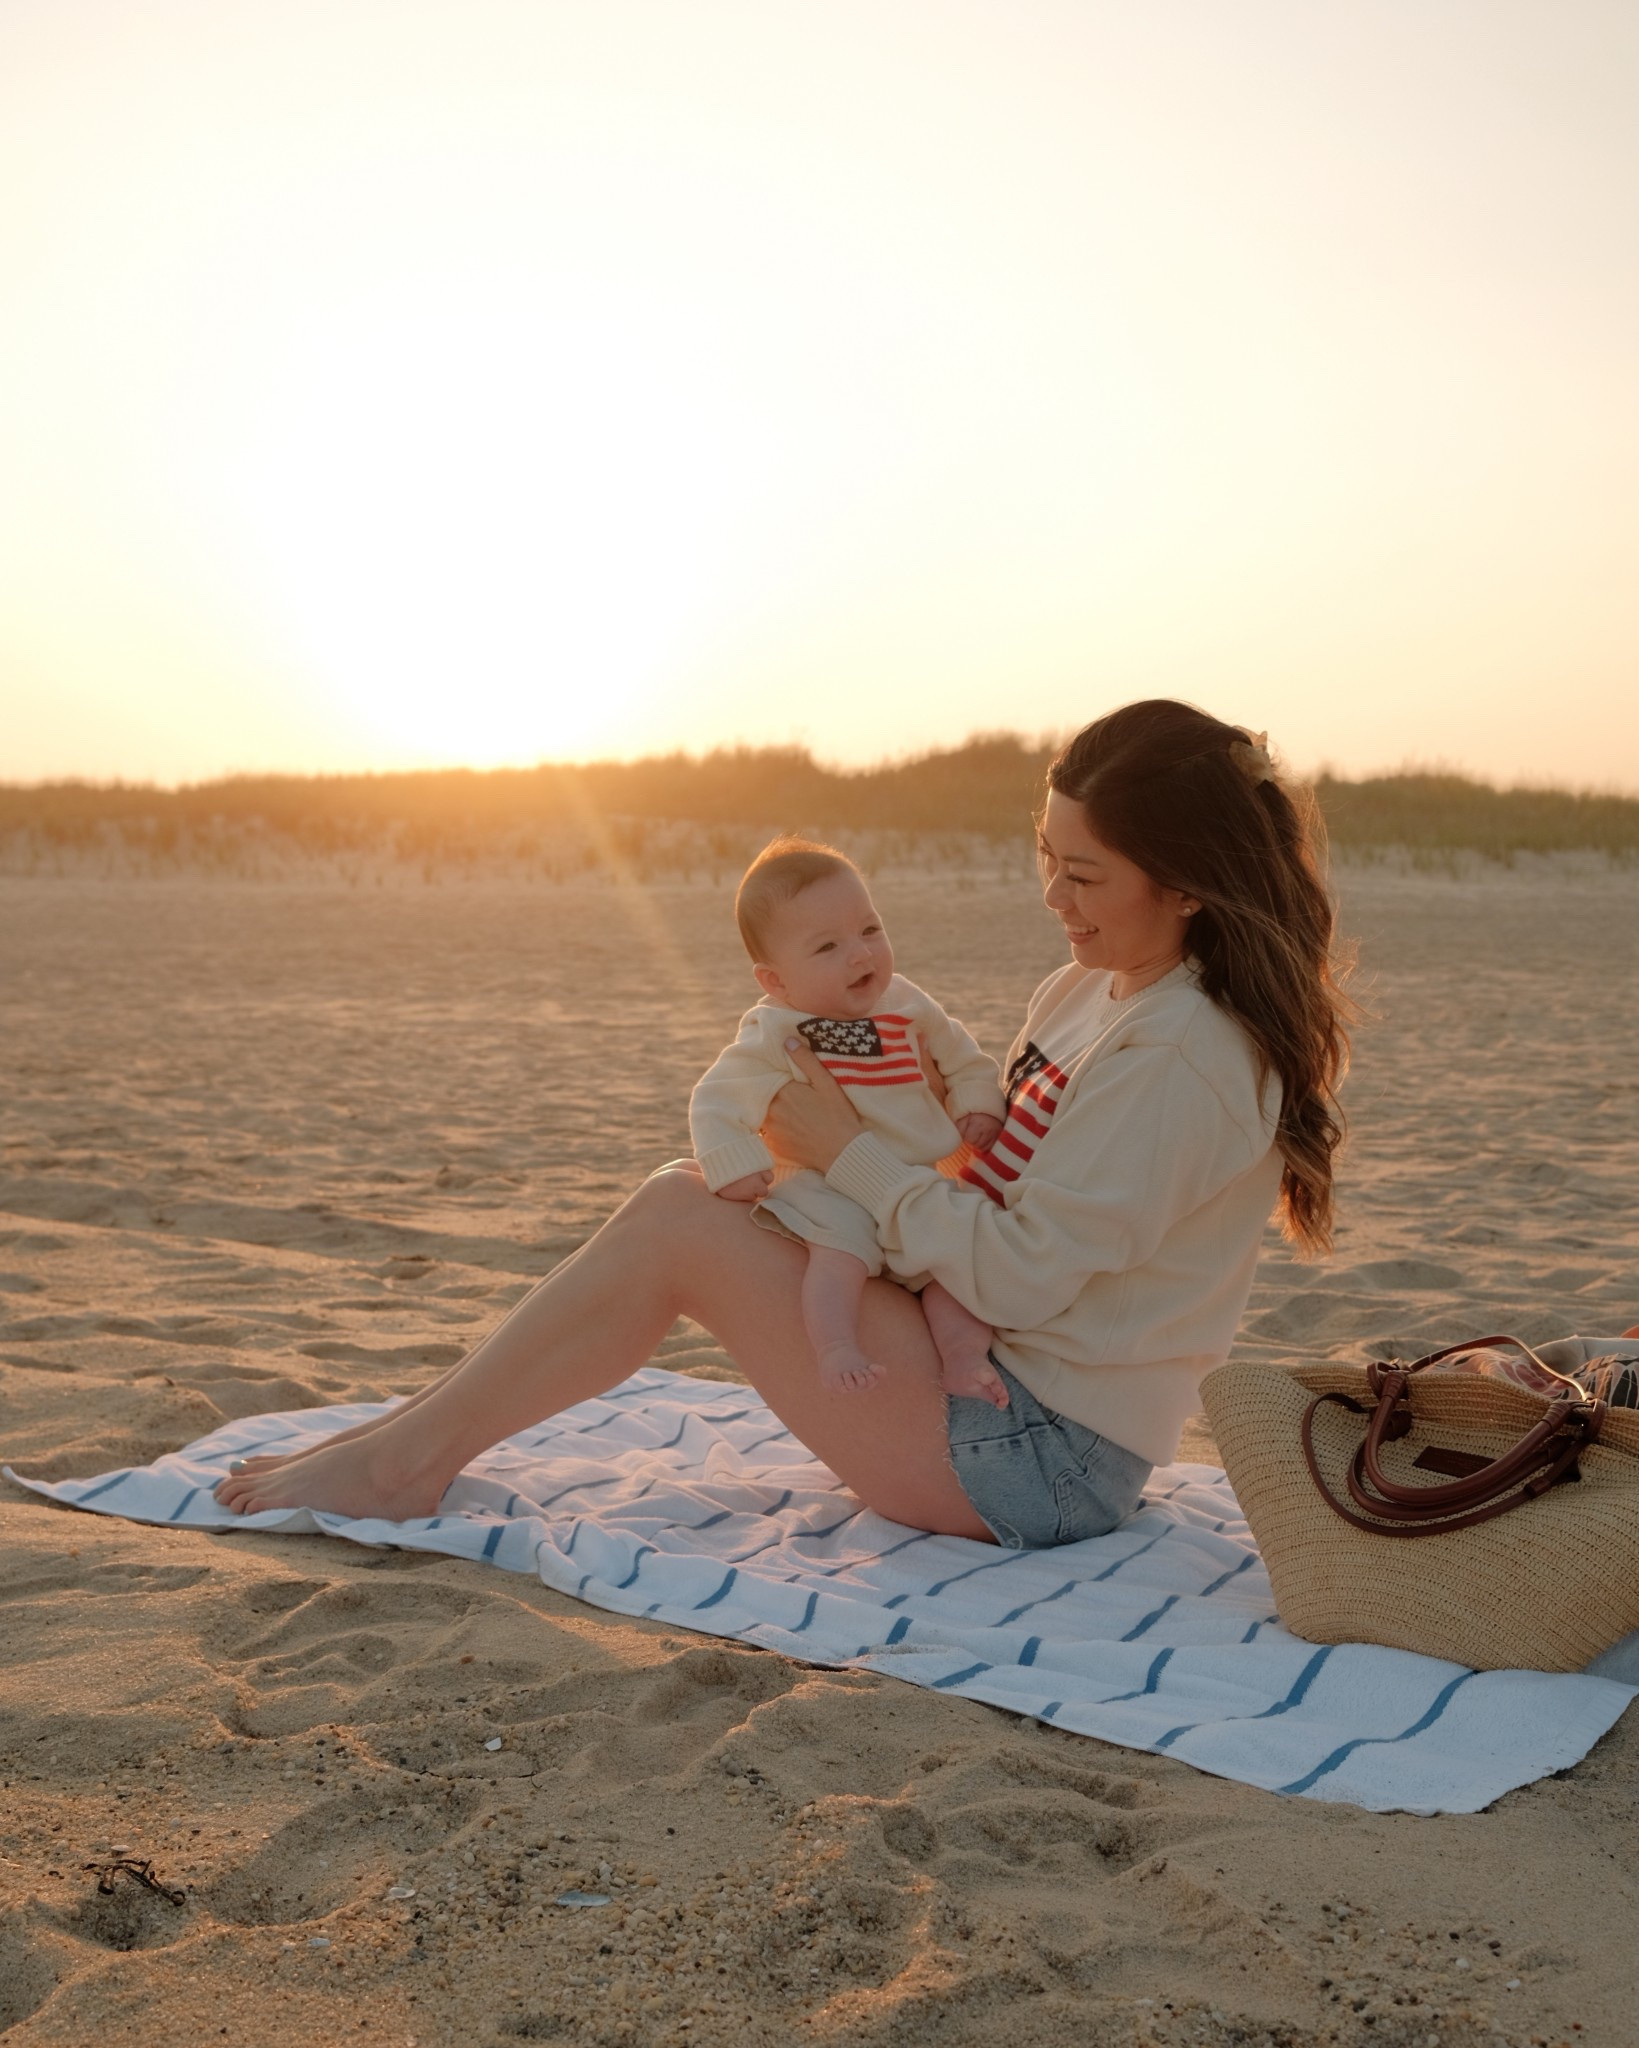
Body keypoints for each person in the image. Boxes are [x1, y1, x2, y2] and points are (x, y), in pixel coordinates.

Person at [214, 699, 1350, 1550]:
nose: (1052, 895)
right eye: (1045, 859)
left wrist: (843, 1152)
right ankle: (401, 1444)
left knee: (677, 1220)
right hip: (983, 1371)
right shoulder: (1092, 990)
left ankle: (404, 1460)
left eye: (1085, 874)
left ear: (1189, 882)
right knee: (686, 1199)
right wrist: (852, 1154)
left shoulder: (1187, 1056)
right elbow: (984, 1175)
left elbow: (1016, 1272)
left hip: (1038, 1456)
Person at [690, 837, 1006, 1400]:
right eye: (827, 947)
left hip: (914, 1176)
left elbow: (962, 1055)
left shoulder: (907, 1001)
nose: (861, 955)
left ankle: (963, 1358)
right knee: (838, 1256)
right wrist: (735, 1165)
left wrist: (976, 1102)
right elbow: (716, 1099)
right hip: (826, 1185)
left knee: (952, 1273)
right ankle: (836, 1346)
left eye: (870, 930)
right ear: (775, 981)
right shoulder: (775, 1031)